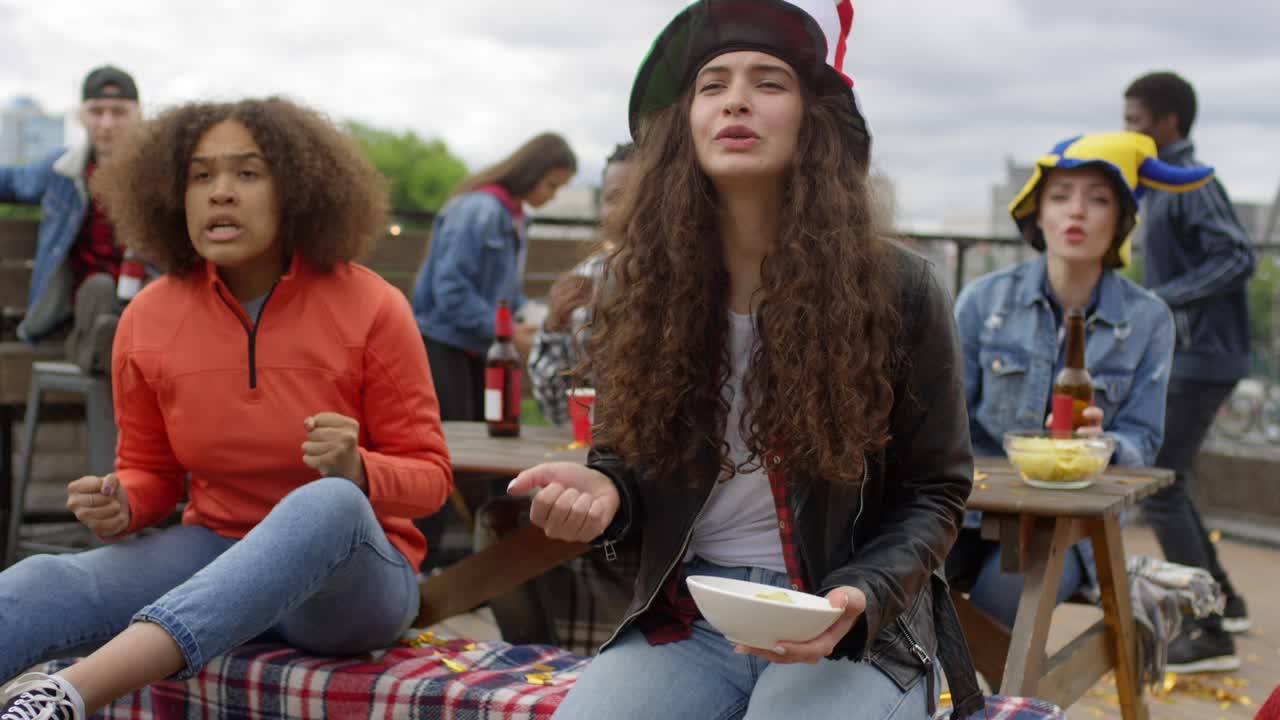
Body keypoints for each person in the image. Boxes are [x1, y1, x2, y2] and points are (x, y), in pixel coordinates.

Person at [508, 1, 983, 718]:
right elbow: (624, 460)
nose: (735, 99)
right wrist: (604, 492)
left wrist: (862, 595)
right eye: (713, 84)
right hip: (693, 615)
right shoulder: (642, 287)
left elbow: (937, 489)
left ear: (812, 121)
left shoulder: (900, 287)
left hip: (853, 625)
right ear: (685, 126)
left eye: (768, 82)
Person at [0, 97, 453, 720]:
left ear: (296, 190)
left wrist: (359, 470)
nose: (220, 192)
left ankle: (65, 697)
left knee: (329, 502)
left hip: (347, 588)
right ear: (172, 195)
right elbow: (152, 473)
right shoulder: (148, 317)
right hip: (215, 548)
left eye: (247, 172)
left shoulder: (374, 306)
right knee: (41, 582)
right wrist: (123, 501)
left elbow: (431, 480)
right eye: (200, 175)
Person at [949, 131, 1208, 628]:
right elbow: (946, 421)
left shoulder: (1149, 320)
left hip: (1071, 524)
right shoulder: (982, 302)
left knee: (1002, 600)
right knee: (908, 582)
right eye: (1061, 197)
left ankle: (975, 681)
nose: (1077, 212)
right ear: (1037, 215)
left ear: (1120, 223)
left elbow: (1144, 439)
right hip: (968, 510)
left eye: (1098, 200)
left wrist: (1102, 443)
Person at [1124, 70, 1255, 672]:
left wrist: (1164, 300)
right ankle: (1224, 602)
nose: (1129, 130)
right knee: (1169, 478)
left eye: (1135, 120)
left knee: (1160, 485)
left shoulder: (1191, 182)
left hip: (1205, 355)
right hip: (1195, 354)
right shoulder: (1162, 185)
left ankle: (1208, 631)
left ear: (1168, 121)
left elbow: (1237, 255)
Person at [411, 132, 577, 422]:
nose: (553, 196)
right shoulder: (479, 210)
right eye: (552, 185)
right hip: (446, 345)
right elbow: (451, 289)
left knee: (488, 426)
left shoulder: (516, 217)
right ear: (531, 172)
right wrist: (508, 331)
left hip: (479, 343)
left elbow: (505, 291)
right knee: (459, 433)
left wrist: (531, 319)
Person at [0, 65, 147, 373]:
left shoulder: (160, 173)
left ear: (138, 114)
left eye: (118, 112)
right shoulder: (63, 171)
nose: (106, 123)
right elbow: (13, 181)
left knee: (141, 304)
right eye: (97, 111)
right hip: (85, 308)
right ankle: (104, 350)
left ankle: (100, 352)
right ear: (81, 116)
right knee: (99, 289)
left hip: (146, 303)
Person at [528, 142, 634, 426]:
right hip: (594, 445)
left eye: (640, 195)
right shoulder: (586, 280)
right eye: (615, 197)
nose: (626, 209)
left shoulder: (693, 279)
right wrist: (554, 326)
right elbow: (556, 411)